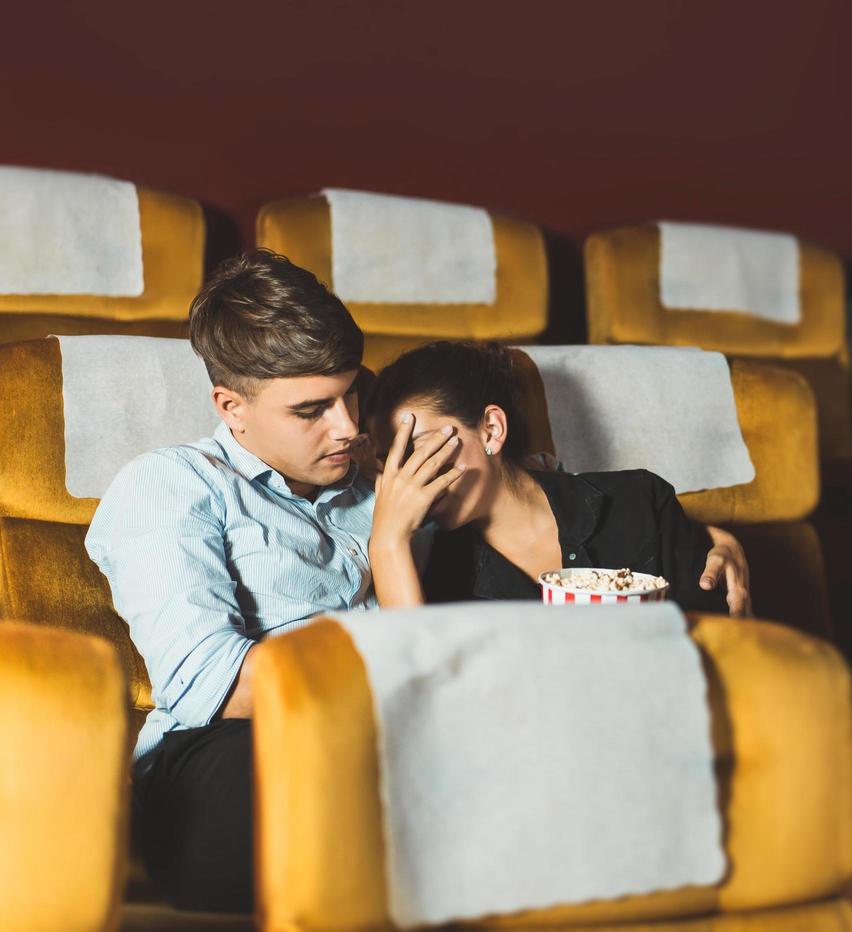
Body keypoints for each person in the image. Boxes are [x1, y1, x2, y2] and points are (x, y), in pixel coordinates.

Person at [84, 249, 751, 914]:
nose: (347, 429)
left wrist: (705, 540)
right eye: (311, 411)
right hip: (233, 750)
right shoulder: (169, 486)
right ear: (232, 407)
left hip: (409, 732)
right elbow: (220, 687)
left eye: (354, 395)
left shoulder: (381, 474)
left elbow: (538, 499)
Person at [364, 339, 740, 614]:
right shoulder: (432, 568)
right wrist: (388, 541)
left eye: (421, 450)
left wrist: (717, 538)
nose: (410, 478)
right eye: (393, 461)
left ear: (491, 429)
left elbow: (724, 644)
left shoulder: (640, 502)